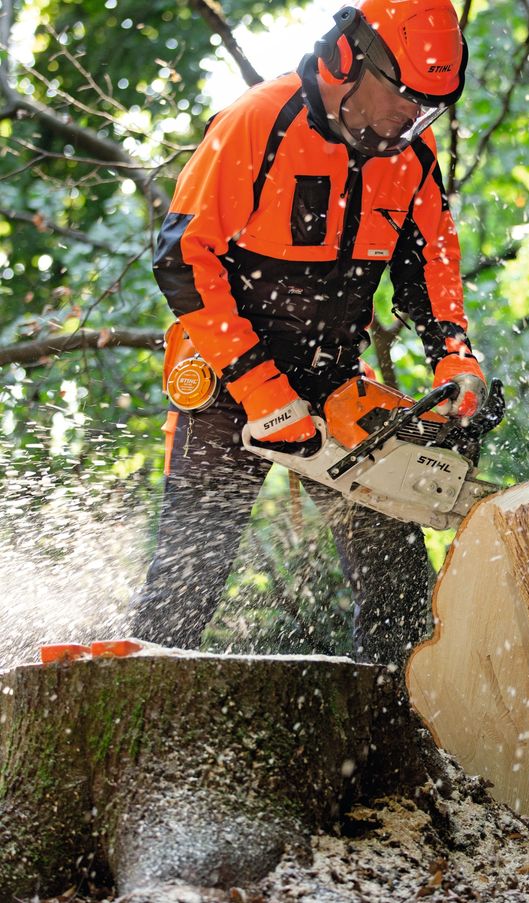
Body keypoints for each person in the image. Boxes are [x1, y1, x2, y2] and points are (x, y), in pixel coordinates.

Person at [129, 0, 486, 665]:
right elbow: (182, 257)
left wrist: (453, 355)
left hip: (333, 381)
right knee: (187, 581)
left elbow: (429, 259)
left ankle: (394, 740)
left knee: (397, 584)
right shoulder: (259, 121)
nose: (409, 121)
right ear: (347, 59)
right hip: (229, 382)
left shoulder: (411, 152)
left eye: (426, 110)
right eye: (402, 100)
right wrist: (261, 388)